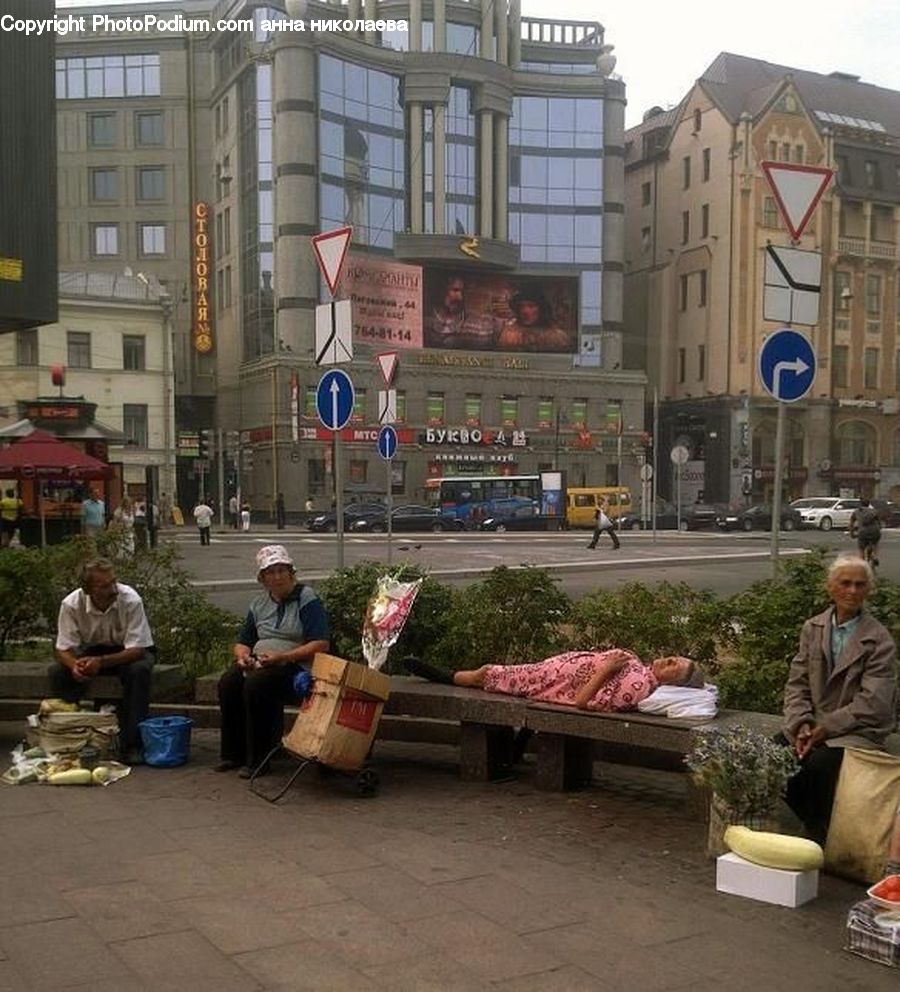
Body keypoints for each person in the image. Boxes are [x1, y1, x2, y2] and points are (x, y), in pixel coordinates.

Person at [781, 555, 897, 846]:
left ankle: (819, 831)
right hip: (814, 725)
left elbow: (874, 703)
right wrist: (802, 724)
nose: (853, 591)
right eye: (845, 583)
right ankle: (819, 824)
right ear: (830, 588)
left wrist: (826, 728)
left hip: (857, 731)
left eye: (860, 585)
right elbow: (797, 683)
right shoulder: (813, 628)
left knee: (819, 763)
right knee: (773, 756)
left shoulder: (878, 639)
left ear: (868, 590)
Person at [216, 545, 331, 777]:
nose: (277, 577)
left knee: (257, 685)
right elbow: (243, 641)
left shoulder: (306, 598)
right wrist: (243, 657)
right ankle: (235, 753)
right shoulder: (258, 604)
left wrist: (282, 657)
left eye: (281, 570)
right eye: (271, 572)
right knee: (228, 682)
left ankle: (259, 758)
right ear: (263, 578)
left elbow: (321, 643)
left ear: (291, 573)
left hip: (297, 666)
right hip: (262, 662)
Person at [49, 557, 156, 765]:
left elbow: (137, 649)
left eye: (113, 582)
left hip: (130, 652)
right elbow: (63, 647)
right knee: (57, 672)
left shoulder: (130, 599)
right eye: (105, 586)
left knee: (139, 671)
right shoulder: (71, 604)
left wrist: (101, 662)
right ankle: (68, 738)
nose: (113, 589)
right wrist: (75, 666)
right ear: (88, 590)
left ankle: (132, 744)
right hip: (93, 650)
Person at [405, 649, 702, 710]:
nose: (669, 659)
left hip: (552, 684)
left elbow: (583, 701)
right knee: (489, 674)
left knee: (487, 674)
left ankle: (438, 674)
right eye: (675, 656)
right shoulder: (641, 670)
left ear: (672, 683)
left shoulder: (638, 689)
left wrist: (608, 667)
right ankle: (439, 673)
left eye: (675, 665)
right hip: (553, 670)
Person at [426, 275, 499, 349]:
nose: (460, 297)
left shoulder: (479, 327)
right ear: (442, 291)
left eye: (463, 292)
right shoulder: (426, 320)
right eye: (455, 290)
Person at [496, 285, 571, 352]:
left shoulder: (557, 337)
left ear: (541, 309)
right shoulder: (510, 335)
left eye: (531, 306)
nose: (525, 311)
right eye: (522, 306)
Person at [850, 497, 882, 567]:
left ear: (860, 504)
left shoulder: (856, 512)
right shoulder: (874, 511)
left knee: (861, 549)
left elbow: (851, 524)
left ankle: (862, 564)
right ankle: (874, 556)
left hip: (863, 532)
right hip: (874, 531)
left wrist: (852, 534)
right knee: (875, 544)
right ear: (868, 504)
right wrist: (878, 529)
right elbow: (879, 524)